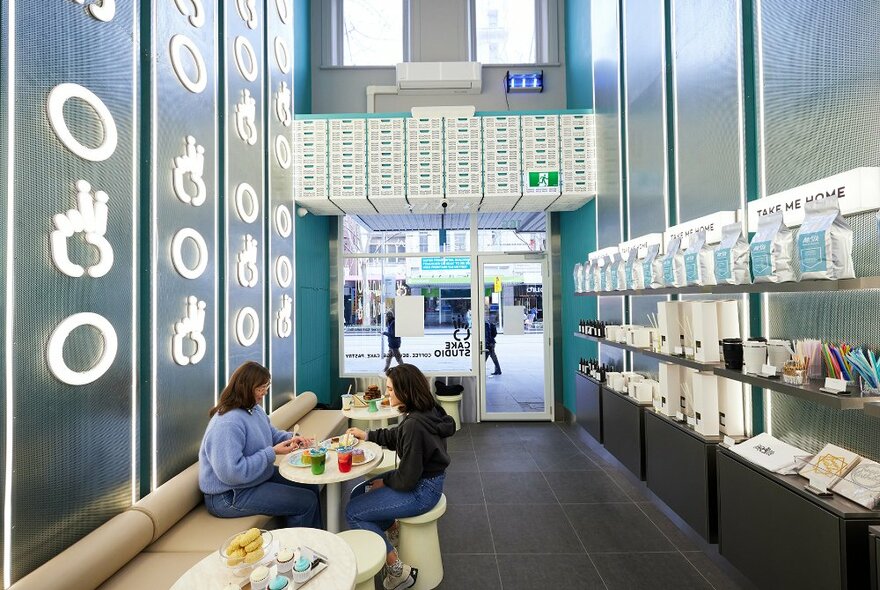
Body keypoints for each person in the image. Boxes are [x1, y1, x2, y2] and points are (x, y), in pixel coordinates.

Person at [345, 364, 456, 590]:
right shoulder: (426, 411)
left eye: (391, 390)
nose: (387, 394)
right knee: (358, 491)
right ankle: (392, 530)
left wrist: (383, 481)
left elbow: (406, 480)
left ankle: (398, 571)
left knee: (353, 511)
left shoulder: (415, 425)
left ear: (406, 391)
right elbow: (398, 435)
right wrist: (366, 435)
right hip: (425, 479)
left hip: (422, 491)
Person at [199, 361, 322, 529]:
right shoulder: (227, 424)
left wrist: (293, 438)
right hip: (228, 495)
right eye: (260, 388)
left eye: (266, 387)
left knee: (310, 485)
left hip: (255, 478)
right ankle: (302, 552)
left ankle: (319, 541)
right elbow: (232, 473)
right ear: (245, 387)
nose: (264, 393)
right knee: (305, 502)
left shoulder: (253, 408)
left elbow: (270, 433)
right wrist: (271, 453)